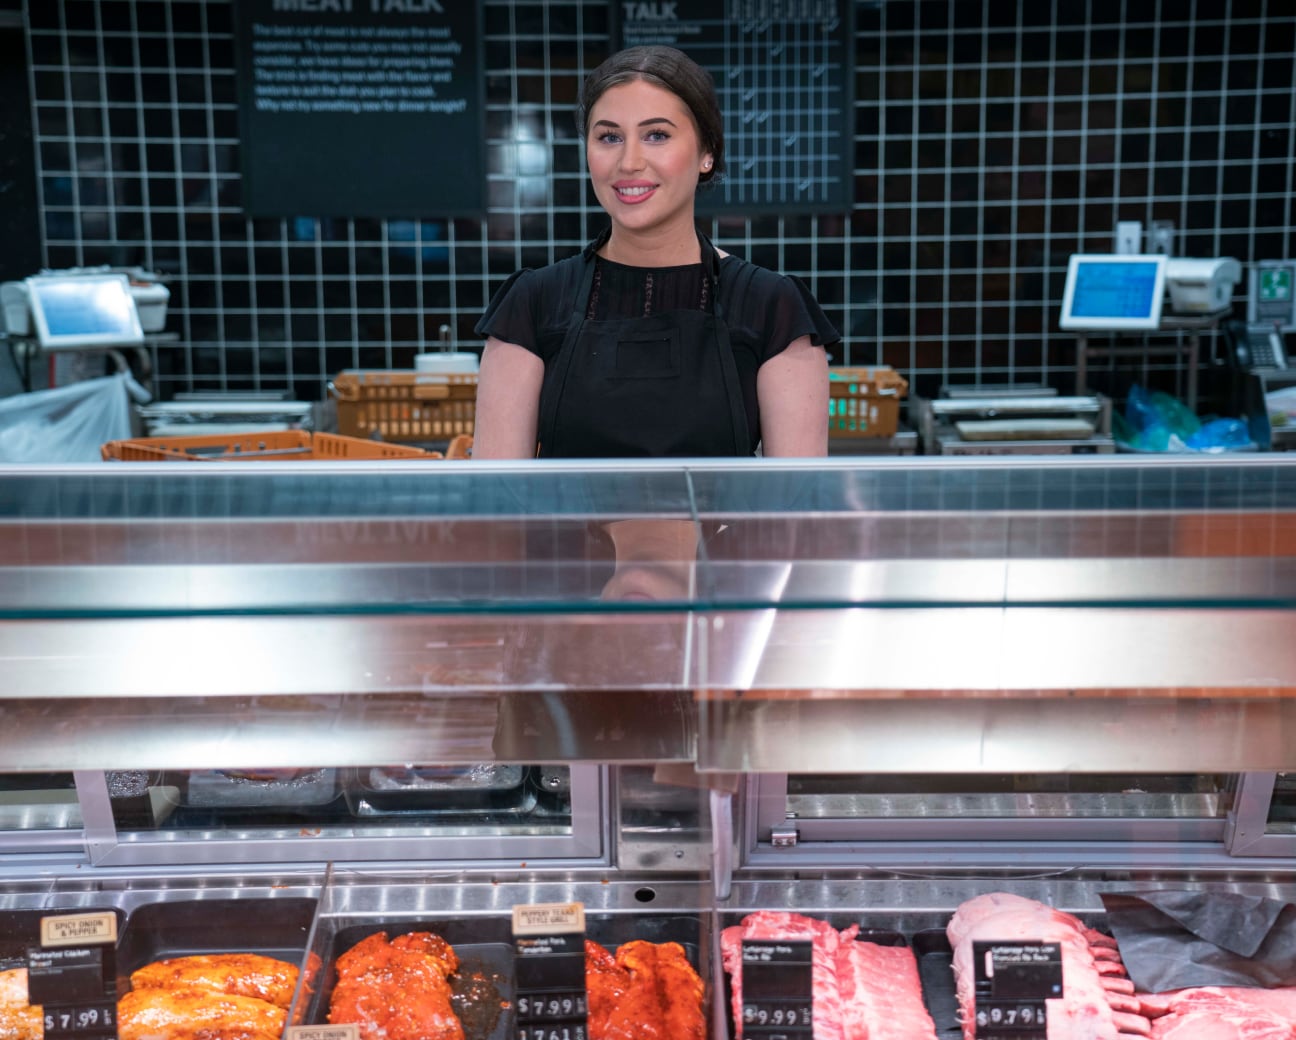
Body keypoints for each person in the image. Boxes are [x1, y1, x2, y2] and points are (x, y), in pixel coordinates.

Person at [472, 45, 837, 459]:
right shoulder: (531, 307)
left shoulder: (773, 310)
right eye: (609, 137)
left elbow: (793, 514)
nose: (629, 161)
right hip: (569, 530)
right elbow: (498, 509)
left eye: (657, 135)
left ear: (707, 153)